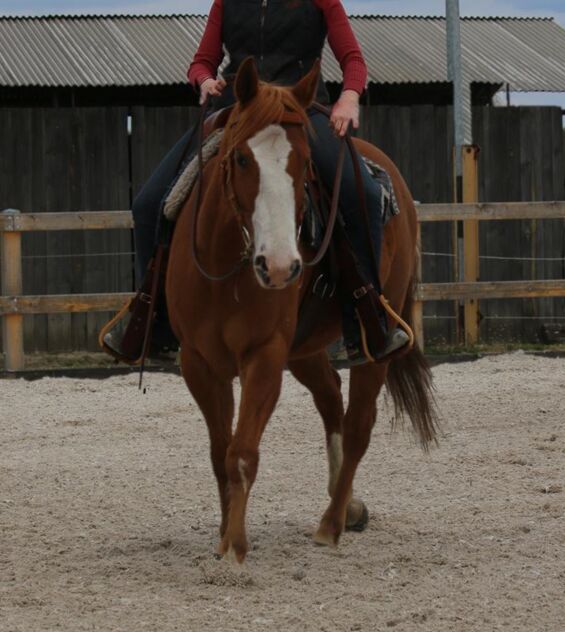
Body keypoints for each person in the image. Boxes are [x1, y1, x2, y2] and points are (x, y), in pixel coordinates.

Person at [102, 0, 409, 364]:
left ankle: (366, 316)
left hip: (299, 112)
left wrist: (348, 97)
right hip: (239, 112)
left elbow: (353, 59)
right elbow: (202, 61)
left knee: (365, 197)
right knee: (149, 204)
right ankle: (155, 319)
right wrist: (204, 80)